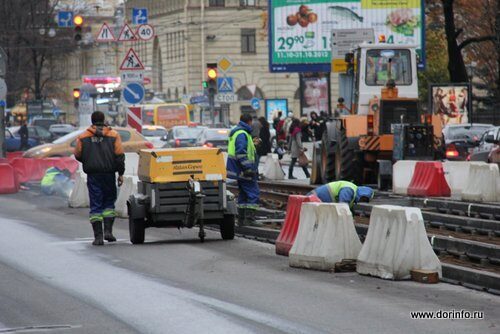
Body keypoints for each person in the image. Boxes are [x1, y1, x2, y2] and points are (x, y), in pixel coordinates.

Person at [75, 111, 125, 246]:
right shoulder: (114, 135)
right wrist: (120, 173)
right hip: (109, 174)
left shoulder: (83, 136)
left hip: (93, 175)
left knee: (96, 203)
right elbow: (119, 156)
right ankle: (108, 231)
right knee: (109, 202)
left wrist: (89, 160)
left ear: (92, 120)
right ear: (103, 120)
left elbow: (78, 154)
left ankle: (98, 237)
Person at [227, 114, 259, 226]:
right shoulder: (242, 133)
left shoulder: (238, 132)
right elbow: (241, 153)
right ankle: (249, 219)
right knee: (253, 193)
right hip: (244, 170)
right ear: (249, 122)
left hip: (238, 170)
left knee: (243, 194)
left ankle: (241, 219)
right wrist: (248, 168)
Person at [308, 181, 374, 208]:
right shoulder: (349, 190)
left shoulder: (353, 197)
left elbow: (349, 210)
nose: (362, 201)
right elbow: (343, 206)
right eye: (364, 199)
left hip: (319, 200)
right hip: (315, 197)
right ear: (362, 193)